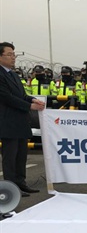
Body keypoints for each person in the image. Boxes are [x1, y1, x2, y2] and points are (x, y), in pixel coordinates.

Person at [0, 42, 46, 196]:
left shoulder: (12, 74)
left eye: (14, 54)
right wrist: (29, 107)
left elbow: (21, 94)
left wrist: (32, 99)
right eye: (9, 54)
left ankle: (21, 182)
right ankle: (11, 187)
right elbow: (7, 97)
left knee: (21, 155)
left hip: (20, 120)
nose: (13, 57)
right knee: (10, 157)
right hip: (8, 121)